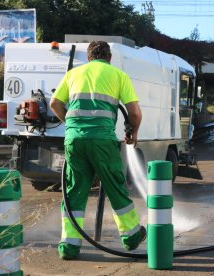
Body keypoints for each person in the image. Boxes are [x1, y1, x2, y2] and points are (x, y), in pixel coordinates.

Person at [50, 41, 145, 260]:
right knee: (114, 185)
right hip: (102, 140)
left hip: (74, 140)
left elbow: (55, 103)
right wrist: (133, 133)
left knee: (75, 191)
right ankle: (131, 236)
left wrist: (72, 125)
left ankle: (69, 246)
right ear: (109, 57)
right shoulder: (118, 75)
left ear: (89, 57)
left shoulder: (74, 73)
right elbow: (135, 114)